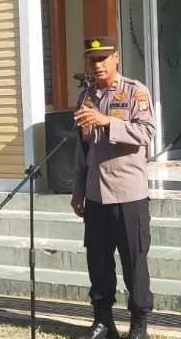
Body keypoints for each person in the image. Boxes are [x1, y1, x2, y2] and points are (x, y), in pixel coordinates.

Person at [71, 36, 155, 339]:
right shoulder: (86, 97)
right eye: (92, 60)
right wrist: (78, 189)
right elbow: (83, 149)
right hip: (96, 194)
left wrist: (107, 121)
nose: (97, 65)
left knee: (134, 262)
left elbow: (146, 133)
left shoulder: (135, 91)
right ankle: (103, 321)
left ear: (116, 58)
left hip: (128, 193)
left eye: (103, 58)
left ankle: (139, 325)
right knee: (98, 261)